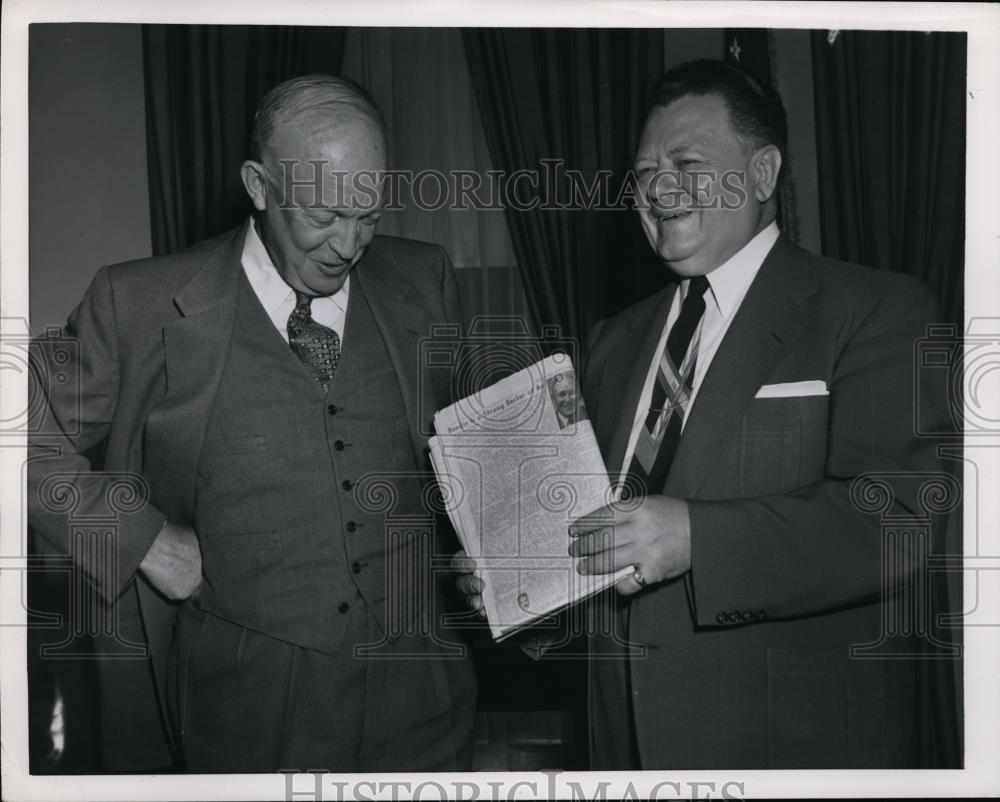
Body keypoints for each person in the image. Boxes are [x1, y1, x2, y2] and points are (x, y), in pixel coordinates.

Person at [458, 59, 958, 769]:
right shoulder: (609, 342)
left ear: (762, 174)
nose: (657, 189)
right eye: (642, 174)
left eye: (686, 163)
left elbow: (898, 522)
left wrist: (698, 538)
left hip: (789, 751)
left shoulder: (876, 310)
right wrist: (516, 585)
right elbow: (599, 556)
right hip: (621, 749)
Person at [28, 74, 476, 773]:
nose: (350, 243)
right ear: (260, 186)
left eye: (370, 213)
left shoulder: (425, 279)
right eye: (324, 215)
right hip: (242, 715)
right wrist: (142, 541)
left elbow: (481, 439)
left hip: (424, 703)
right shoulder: (138, 304)